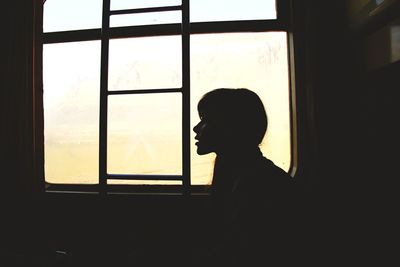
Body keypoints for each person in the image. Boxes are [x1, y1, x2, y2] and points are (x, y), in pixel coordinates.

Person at [193, 88, 299, 266]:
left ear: (229, 127)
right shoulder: (252, 175)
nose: (196, 128)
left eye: (205, 120)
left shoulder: (259, 185)